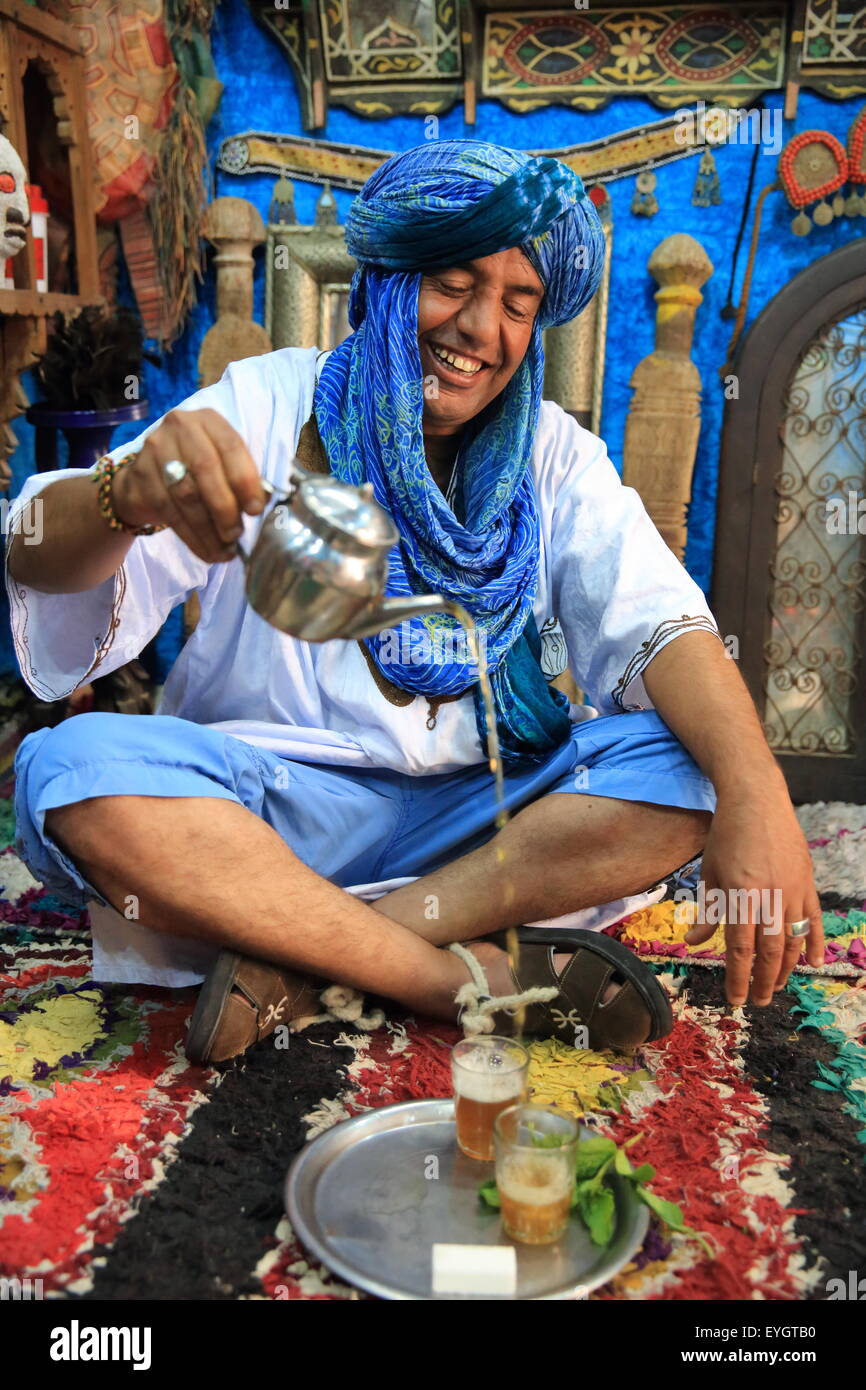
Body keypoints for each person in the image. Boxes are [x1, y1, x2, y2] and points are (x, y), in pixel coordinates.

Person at [6, 141, 823, 1065]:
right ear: (393, 276)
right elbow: (37, 556)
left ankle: (305, 959)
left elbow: (664, 625)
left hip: (482, 828)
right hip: (265, 811)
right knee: (69, 774)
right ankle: (453, 981)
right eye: (455, 282)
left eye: (519, 303)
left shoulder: (552, 453)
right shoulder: (272, 401)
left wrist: (763, 798)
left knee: (697, 762)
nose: (482, 328)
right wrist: (126, 496)